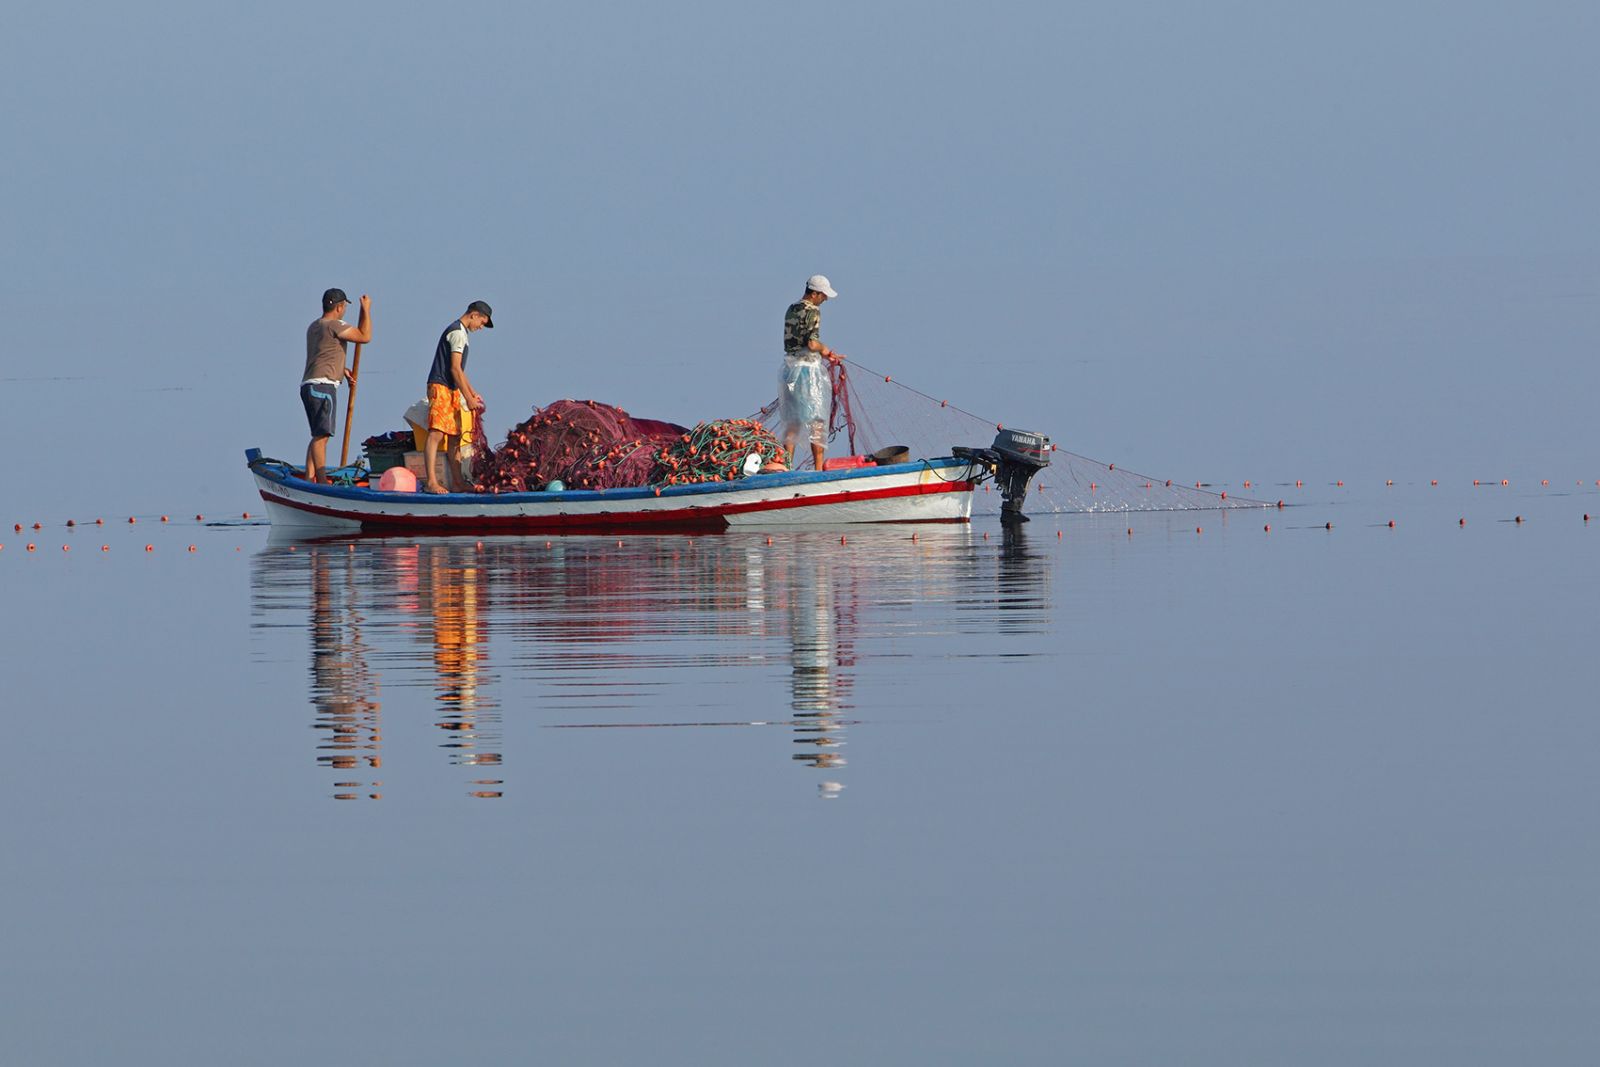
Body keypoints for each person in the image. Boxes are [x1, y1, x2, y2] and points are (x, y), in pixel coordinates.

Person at [301, 288, 372, 483]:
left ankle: (309, 478)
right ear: (339, 307)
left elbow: (324, 355)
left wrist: (342, 370)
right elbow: (364, 336)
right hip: (323, 387)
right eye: (344, 307)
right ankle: (321, 481)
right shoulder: (335, 325)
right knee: (322, 436)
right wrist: (366, 310)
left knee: (317, 435)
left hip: (309, 385)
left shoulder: (315, 326)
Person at [424, 300, 494, 493]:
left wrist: (472, 392)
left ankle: (457, 482)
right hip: (441, 385)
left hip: (452, 389)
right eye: (481, 322)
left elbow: (461, 372)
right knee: (436, 433)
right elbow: (454, 369)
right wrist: (468, 399)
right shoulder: (457, 333)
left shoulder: (463, 334)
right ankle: (431, 482)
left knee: (455, 437)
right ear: (474, 315)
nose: (480, 327)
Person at [780, 274, 843, 470]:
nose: (825, 299)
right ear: (814, 293)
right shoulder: (813, 311)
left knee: (792, 421)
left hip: (789, 372)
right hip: (808, 372)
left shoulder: (791, 308)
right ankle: (818, 469)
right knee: (817, 421)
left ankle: (787, 467)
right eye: (823, 295)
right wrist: (825, 350)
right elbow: (812, 344)